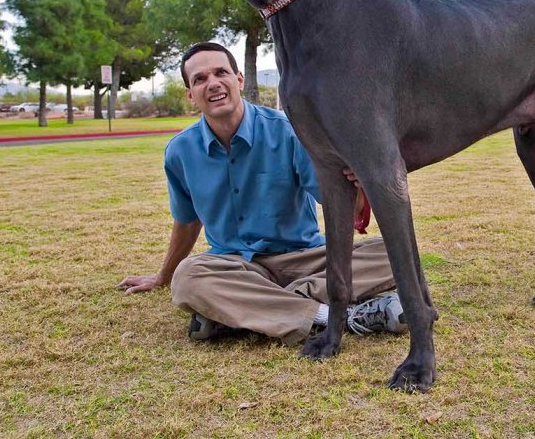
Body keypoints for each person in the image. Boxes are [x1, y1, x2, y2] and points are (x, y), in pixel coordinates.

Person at [118, 42, 406, 345]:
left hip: (305, 258)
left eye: (221, 73)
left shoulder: (290, 131)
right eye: (200, 79)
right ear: (190, 95)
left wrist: (360, 182)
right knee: (188, 278)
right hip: (236, 267)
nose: (213, 83)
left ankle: (242, 312)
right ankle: (334, 315)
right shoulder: (180, 152)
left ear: (238, 79)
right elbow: (187, 222)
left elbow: (341, 206)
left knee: (394, 252)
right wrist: (164, 276)